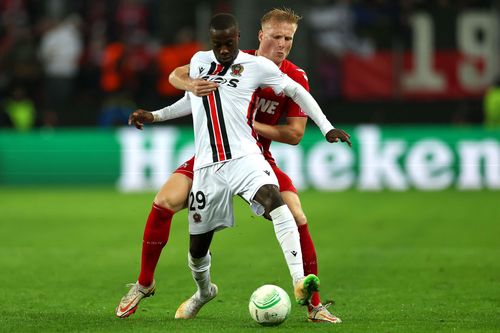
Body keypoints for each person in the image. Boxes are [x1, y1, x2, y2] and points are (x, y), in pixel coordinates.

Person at [116, 11, 350, 323]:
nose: (282, 44)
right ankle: (167, 286)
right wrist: (160, 110)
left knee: (292, 211)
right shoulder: (215, 60)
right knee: (170, 210)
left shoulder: (281, 73)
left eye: (288, 39)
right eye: (276, 37)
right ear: (259, 36)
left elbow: (294, 133)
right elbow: (186, 88)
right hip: (209, 158)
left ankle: (311, 300)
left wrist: (320, 127)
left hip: (251, 156)